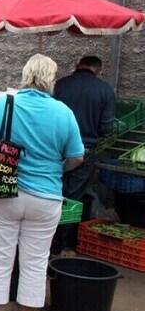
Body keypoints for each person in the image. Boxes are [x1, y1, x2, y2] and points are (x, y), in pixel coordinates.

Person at [0, 54, 84, 311]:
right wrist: (57, 168)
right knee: (35, 262)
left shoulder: (6, 104)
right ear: (52, 79)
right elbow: (77, 157)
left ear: (25, 75)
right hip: (46, 197)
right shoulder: (63, 112)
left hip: (4, 192)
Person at [52, 55, 116, 253]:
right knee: (72, 199)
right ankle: (60, 246)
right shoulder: (105, 90)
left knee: (51, 194)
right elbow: (106, 128)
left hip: (55, 150)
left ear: (77, 65)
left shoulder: (59, 85)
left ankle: (45, 243)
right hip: (84, 151)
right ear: (98, 70)